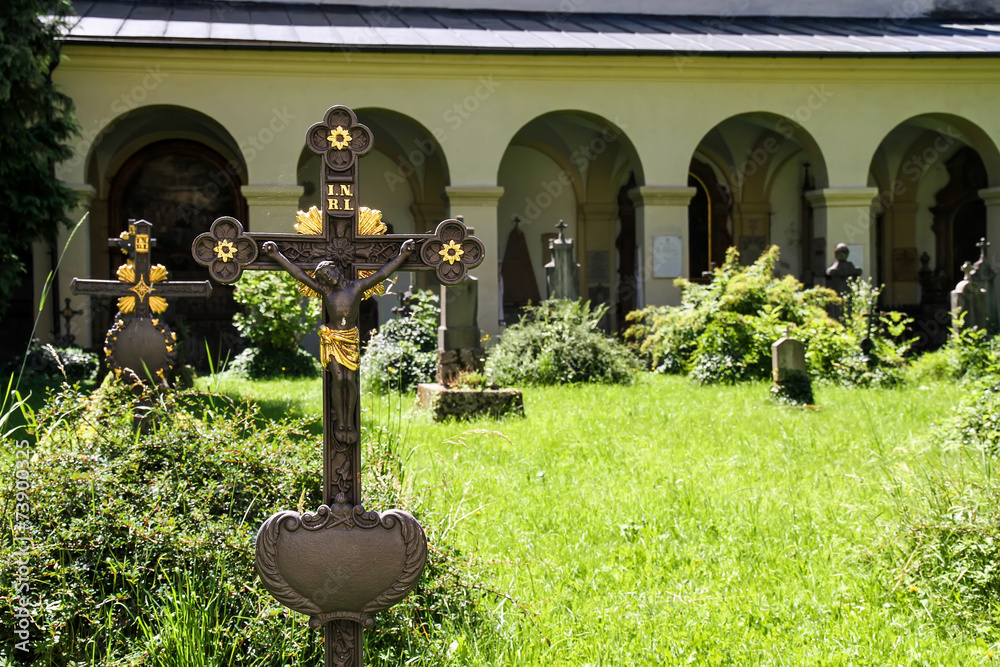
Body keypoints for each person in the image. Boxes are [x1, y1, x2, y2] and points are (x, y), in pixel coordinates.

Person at [261, 238, 416, 443]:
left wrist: (403, 254)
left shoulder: (356, 287)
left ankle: (349, 422)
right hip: (333, 339)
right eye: (324, 276)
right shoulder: (326, 291)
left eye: (329, 272)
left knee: (350, 380)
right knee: (339, 379)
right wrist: (275, 255)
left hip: (349, 339)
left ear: (336, 270)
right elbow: (298, 273)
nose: (329, 277)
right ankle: (341, 422)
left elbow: (382, 274)